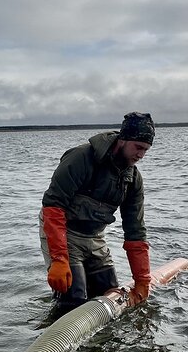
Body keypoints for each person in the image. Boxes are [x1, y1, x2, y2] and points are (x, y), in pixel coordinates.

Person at [39, 111, 155, 313]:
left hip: (94, 237)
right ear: (123, 139)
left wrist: (142, 280)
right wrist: (59, 259)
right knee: (73, 300)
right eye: (138, 147)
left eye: (146, 150)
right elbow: (53, 208)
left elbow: (135, 230)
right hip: (64, 231)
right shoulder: (81, 158)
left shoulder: (133, 179)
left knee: (110, 297)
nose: (141, 155)